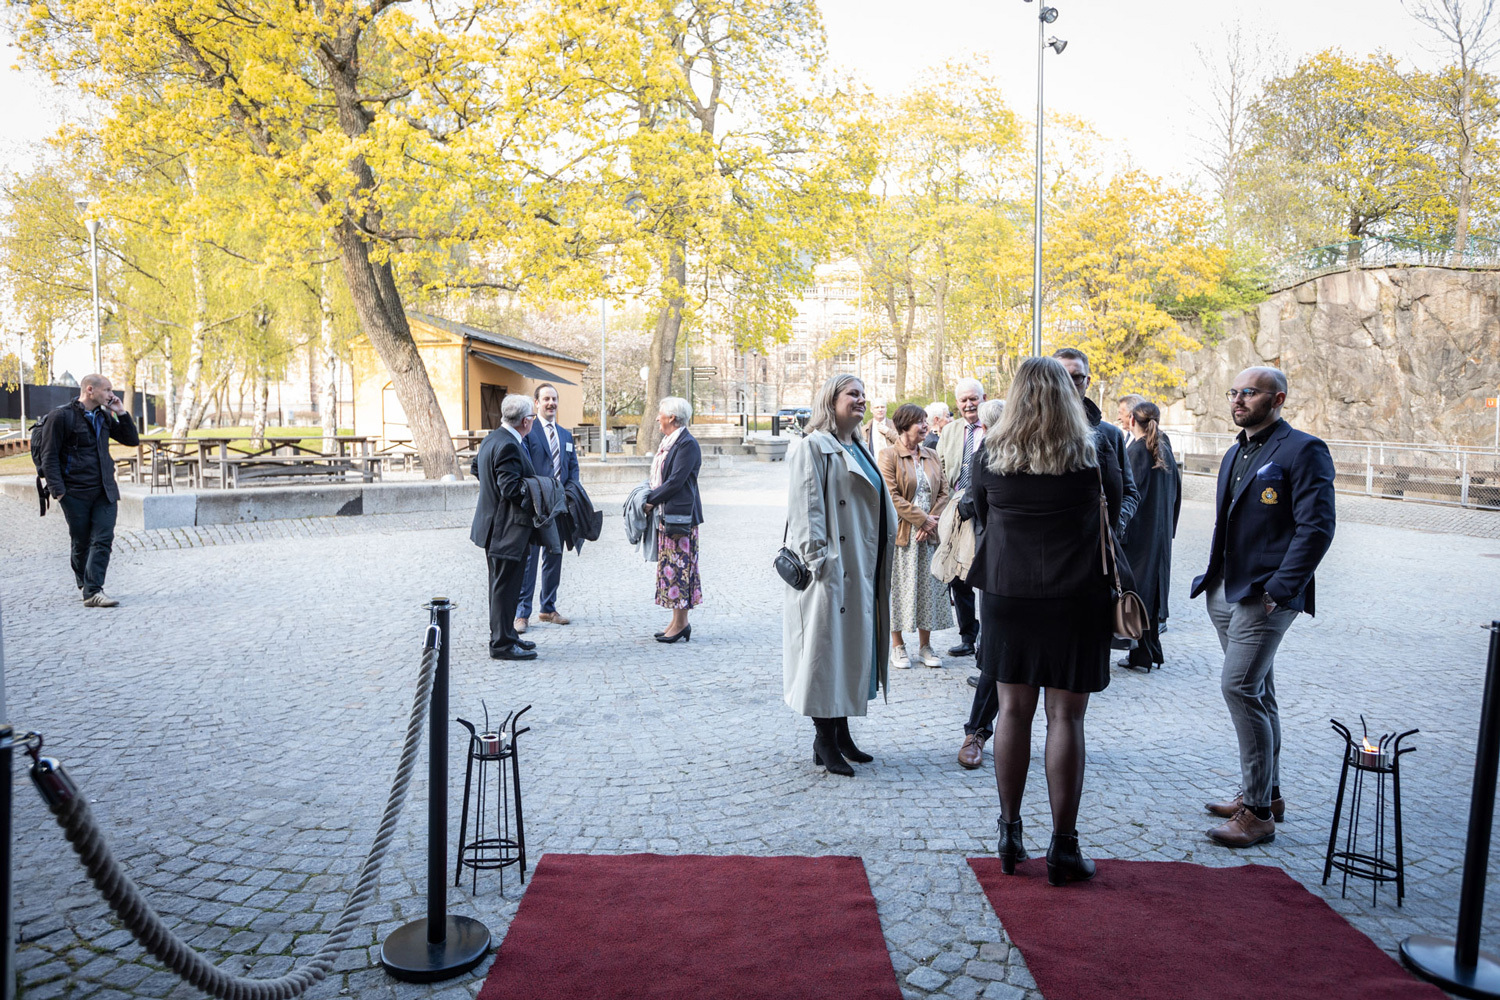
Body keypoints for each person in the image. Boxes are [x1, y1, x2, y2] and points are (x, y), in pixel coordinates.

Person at [966, 357, 1123, 886]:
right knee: (1066, 719)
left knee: (1012, 711)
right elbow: (1113, 510)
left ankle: (1009, 835)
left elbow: (983, 513)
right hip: (1075, 595)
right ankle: (1063, 846)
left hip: (1008, 592)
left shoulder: (990, 454)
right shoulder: (1093, 452)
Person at [1193, 367, 1336, 848]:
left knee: (1239, 688)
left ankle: (1256, 815)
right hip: (1226, 590)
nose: (1237, 399)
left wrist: (1281, 588)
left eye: (1249, 393)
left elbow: (1316, 527)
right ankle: (1267, 795)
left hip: (1265, 596)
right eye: (1233, 392)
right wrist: (1213, 583)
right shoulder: (1236, 450)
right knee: (1259, 691)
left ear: (1277, 399)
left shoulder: (1304, 449)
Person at [783, 374, 897, 777]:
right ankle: (824, 740)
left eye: (864, 394)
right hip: (832, 569)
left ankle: (842, 734)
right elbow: (806, 507)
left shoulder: (858, 445)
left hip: (861, 564)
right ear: (831, 401)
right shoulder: (813, 446)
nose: (861, 399)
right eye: (853, 393)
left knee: (848, 650)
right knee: (825, 652)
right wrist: (820, 561)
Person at [39, 374, 139, 607]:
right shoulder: (61, 417)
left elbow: (131, 440)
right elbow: (49, 456)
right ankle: (85, 583)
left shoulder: (104, 416)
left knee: (103, 539)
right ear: (90, 390)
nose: (112, 394)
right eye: (107, 390)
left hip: (105, 490)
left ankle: (93, 590)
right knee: (81, 541)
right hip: (74, 492)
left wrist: (121, 412)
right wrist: (59, 492)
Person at [877, 403, 952, 669]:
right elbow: (891, 495)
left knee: (928, 590)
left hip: (928, 536)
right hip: (902, 536)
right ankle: (897, 646)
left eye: (926, 421)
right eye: (920, 422)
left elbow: (944, 492)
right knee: (899, 590)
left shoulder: (931, 454)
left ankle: (925, 646)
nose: (926, 426)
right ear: (905, 425)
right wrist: (921, 519)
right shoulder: (888, 455)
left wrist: (930, 522)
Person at [471, 394, 541, 661]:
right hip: (505, 528)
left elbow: (477, 468)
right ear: (526, 421)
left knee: (503, 586)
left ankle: (508, 635)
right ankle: (501, 644)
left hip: (493, 525)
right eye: (532, 417)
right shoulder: (509, 445)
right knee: (505, 588)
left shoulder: (492, 438)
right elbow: (510, 488)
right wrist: (537, 492)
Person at [956, 398, 1006, 769]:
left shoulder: (1095, 440)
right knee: (998, 654)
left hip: (1066, 572)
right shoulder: (990, 452)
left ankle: (1060, 740)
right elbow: (982, 508)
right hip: (1006, 566)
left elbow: (1120, 495)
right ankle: (977, 731)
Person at [1118, 401, 1181, 671]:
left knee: (1136, 593)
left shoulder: (1136, 451)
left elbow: (1127, 495)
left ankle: (1142, 653)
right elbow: (1176, 494)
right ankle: (1149, 651)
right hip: (1158, 533)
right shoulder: (1163, 448)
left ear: (1133, 420)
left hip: (1138, 535)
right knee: (1152, 593)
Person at [1053, 349, 1139, 534]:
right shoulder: (1032, 432)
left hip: (1093, 545)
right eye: (1062, 376)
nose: (1069, 384)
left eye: (1076, 377)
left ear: (1087, 381)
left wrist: (1113, 527)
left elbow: (1129, 493)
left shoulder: (1110, 435)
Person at [516, 383, 579, 634]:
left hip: (559, 505)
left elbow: (572, 467)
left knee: (554, 556)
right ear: (537, 403)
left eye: (554, 399)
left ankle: (548, 608)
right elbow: (524, 466)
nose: (551, 403)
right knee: (530, 560)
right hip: (536, 504)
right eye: (546, 399)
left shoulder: (565, 435)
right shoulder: (529, 432)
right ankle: (522, 613)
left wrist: (570, 492)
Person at [644, 396, 703, 643]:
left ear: (672, 418)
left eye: (661, 414)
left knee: (681, 570)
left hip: (681, 519)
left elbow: (675, 481)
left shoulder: (686, 444)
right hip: (669, 515)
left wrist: (650, 500)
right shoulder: (670, 443)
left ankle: (681, 624)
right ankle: (677, 622)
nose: (657, 418)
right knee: (672, 570)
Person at [938, 378, 986, 657]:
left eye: (973, 398)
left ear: (983, 398)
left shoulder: (995, 427)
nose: (969, 404)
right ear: (957, 403)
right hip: (957, 511)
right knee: (958, 576)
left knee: (987, 573)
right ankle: (968, 636)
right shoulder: (950, 430)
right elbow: (941, 467)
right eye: (963, 400)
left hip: (987, 511)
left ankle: (988, 642)